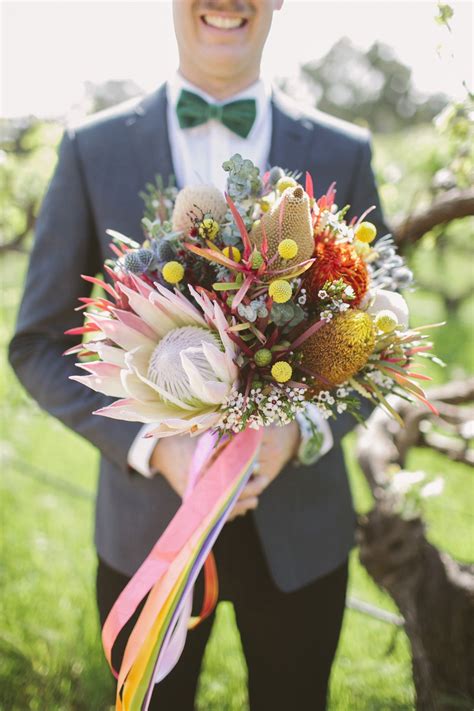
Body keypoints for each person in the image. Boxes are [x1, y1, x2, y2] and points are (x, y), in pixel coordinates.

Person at [8, 1, 388, 709]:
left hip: (302, 529)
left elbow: (380, 340)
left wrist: (298, 432)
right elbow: (36, 343)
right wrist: (153, 444)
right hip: (147, 529)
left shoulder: (345, 150)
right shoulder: (91, 149)